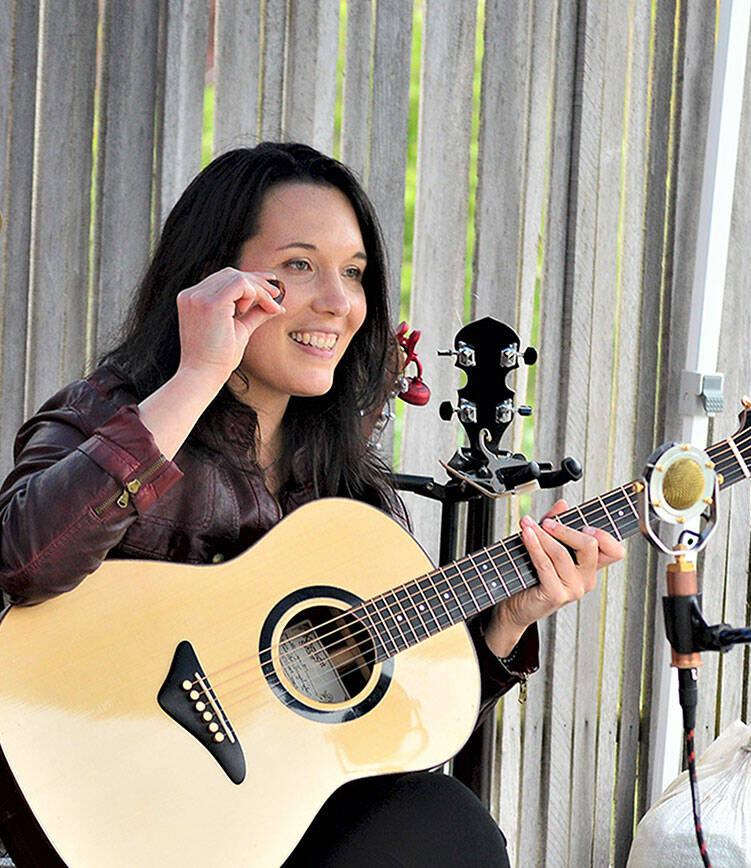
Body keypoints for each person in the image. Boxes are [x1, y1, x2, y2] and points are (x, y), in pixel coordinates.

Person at [0, 141, 625, 866]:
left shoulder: (351, 486)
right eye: (300, 265)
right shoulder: (113, 413)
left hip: (260, 821)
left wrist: (505, 625)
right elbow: (24, 561)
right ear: (214, 275)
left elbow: (381, 733)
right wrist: (200, 371)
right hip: (98, 794)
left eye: (354, 273)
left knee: (443, 828)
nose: (339, 301)